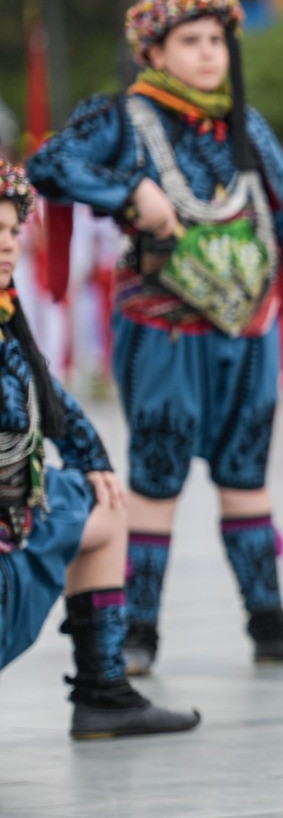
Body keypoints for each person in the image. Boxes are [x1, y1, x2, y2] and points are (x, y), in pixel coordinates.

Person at [28, 0, 283, 674]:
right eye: (191, 40)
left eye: (217, 40)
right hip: (164, 327)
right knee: (157, 475)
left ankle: (268, 623)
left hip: (248, 328)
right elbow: (49, 164)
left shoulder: (248, 124)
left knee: (247, 473)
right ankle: (137, 633)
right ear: (154, 50)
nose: (210, 53)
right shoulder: (120, 118)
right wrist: (131, 189)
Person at [0, 160, 201, 739]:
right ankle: (102, 690)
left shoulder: (8, 319)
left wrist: (95, 461)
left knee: (107, 504)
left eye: (13, 232)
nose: (7, 245)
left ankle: (103, 690)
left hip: (17, 518)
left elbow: (47, 392)